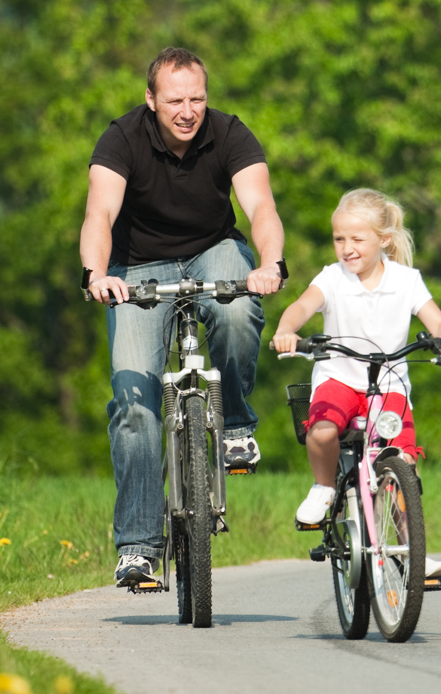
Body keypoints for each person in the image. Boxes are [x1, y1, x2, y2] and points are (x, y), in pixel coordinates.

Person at [81, 48, 286, 588]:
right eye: (174, 100)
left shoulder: (230, 134)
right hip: (136, 267)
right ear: (151, 100)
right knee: (134, 406)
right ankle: (138, 549)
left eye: (197, 98)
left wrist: (269, 263)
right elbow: (99, 213)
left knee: (239, 310)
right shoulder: (121, 139)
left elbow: (260, 207)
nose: (188, 110)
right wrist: (96, 273)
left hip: (211, 249)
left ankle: (236, 425)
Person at [271, 188, 441, 581]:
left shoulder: (407, 280)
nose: (347, 248)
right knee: (322, 431)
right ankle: (324, 487)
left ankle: (413, 551)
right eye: (339, 239)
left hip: (390, 384)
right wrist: (286, 329)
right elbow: (301, 307)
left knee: (400, 463)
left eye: (357, 239)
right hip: (339, 378)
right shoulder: (332, 278)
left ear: (384, 240)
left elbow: (437, 321)